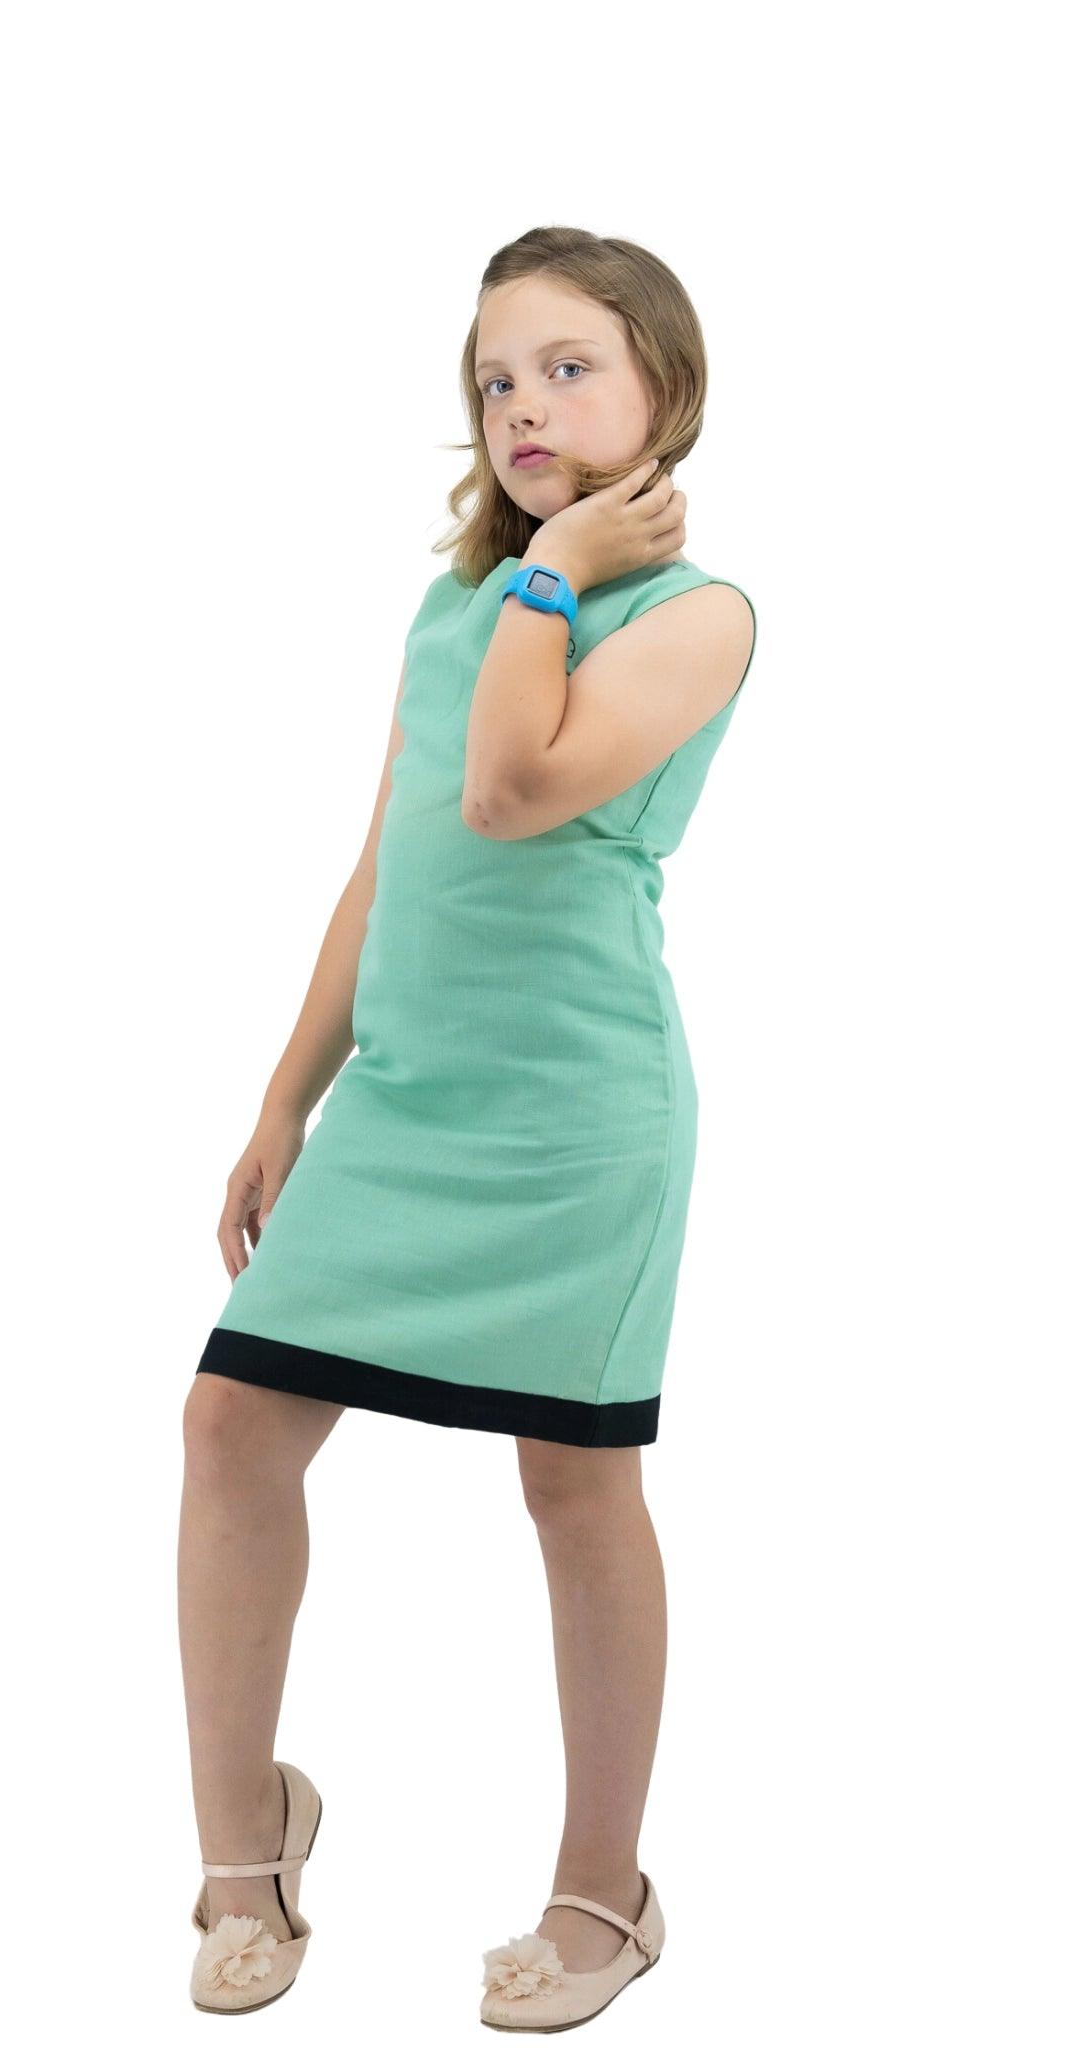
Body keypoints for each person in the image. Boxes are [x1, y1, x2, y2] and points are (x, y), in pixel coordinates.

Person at [177, 225, 758, 2028]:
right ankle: (241, 1849)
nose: (522, 402)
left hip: (576, 1121)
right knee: (228, 1425)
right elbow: (394, 856)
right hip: (407, 1102)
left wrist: (563, 572)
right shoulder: (457, 606)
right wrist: (288, 1094)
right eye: (496, 376)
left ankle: (607, 1890)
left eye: (570, 365)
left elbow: (510, 794)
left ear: (665, 382)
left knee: (576, 1481)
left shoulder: (695, 617)